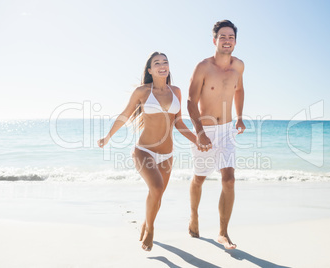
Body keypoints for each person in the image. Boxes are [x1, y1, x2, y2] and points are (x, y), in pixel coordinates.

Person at [98, 52, 196, 251]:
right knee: (157, 189)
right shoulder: (143, 91)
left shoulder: (176, 91)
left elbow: (179, 123)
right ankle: (150, 229)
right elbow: (125, 115)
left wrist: (198, 140)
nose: (162, 65)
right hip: (144, 151)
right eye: (157, 63)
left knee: (157, 195)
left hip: (167, 154)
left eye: (165, 62)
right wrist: (108, 136)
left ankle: (146, 222)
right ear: (150, 70)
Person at [187, 20, 246, 250]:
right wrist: (200, 133)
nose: (227, 40)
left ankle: (223, 233)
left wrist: (239, 116)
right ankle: (193, 216)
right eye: (223, 36)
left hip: (227, 130)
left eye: (231, 37)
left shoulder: (239, 66)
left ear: (235, 41)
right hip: (206, 129)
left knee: (229, 180)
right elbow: (191, 101)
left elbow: (239, 89)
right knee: (199, 178)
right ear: (215, 40)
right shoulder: (203, 66)